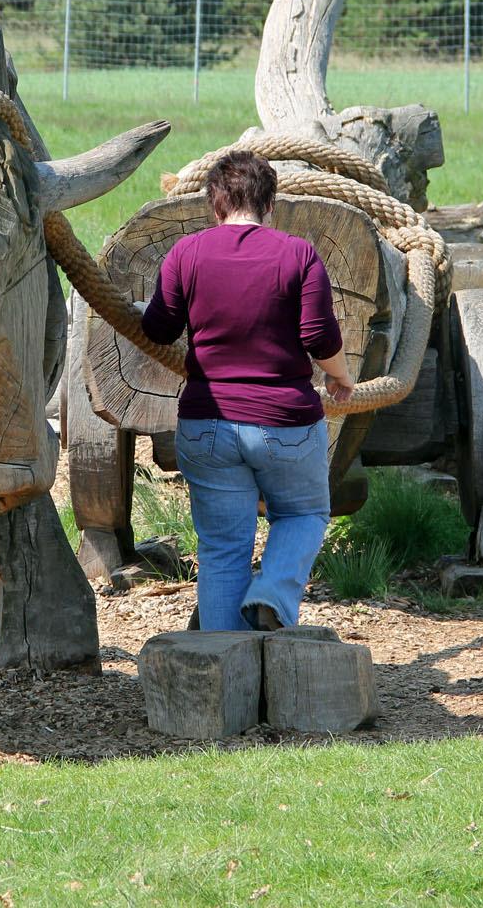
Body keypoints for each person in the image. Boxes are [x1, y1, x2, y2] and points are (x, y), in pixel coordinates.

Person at [140, 149, 354, 631]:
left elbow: (157, 329)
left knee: (222, 551)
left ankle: (219, 682)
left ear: (215, 206)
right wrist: (339, 376)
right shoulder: (298, 254)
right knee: (304, 514)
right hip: (286, 425)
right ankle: (273, 597)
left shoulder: (186, 253)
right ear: (270, 204)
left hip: (206, 425)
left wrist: (144, 304)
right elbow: (319, 337)